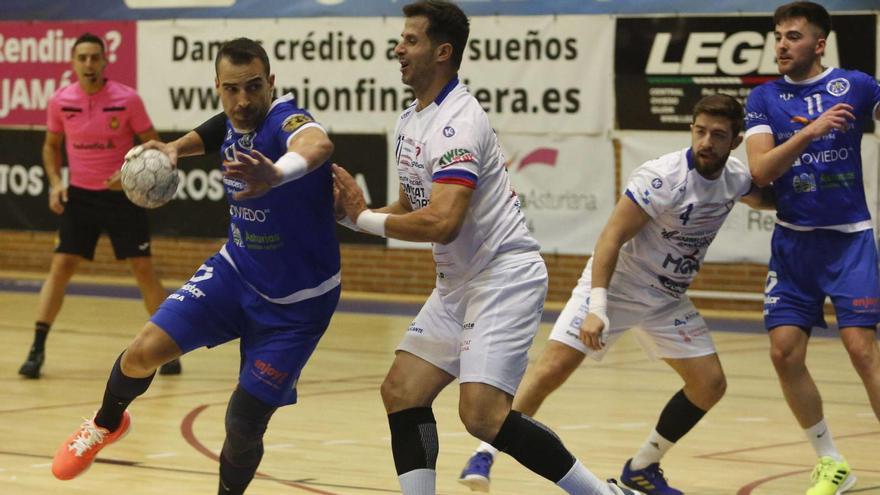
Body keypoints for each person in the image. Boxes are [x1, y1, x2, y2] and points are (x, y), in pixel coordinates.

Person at [333, 2, 641, 494]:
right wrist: (352, 217)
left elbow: (444, 221)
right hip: (458, 283)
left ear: (443, 52)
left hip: (503, 276)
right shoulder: (410, 120)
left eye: (411, 40)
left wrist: (362, 220)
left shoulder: (458, 121)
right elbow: (416, 204)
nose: (399, 48)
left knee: (482, 415)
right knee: (402, 390)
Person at [50, 38, 341, 495]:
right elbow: (217, 129)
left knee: (242, 425)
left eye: (253, 87)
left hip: (296, 307)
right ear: (218, 87)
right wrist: (172, 148)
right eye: (231, 89)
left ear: (272, 83)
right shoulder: (233, 117)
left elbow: (316, 142)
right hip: (235, 272)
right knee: (142, 351)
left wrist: (276, 174)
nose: (243, 101)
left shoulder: (287, 119)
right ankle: (105, 424)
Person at [456, 94, 775, 494]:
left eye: (718, 135)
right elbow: (610, 238)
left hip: (666, 299)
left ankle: (642, 467)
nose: (706, 141)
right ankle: (485, 451)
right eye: (700, 131)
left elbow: (771, 198)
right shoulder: (662, 177)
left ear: (736, 140)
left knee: (710, 383)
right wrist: (598, 307)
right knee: (551, 370)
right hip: (619, 286)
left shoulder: (736, 177)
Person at [744, 2, 880, 494]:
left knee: (862, 350)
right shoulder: (764, 99)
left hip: (849, 241)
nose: (781, 44)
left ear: (819, 44)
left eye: (793, 36)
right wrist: (810, 132)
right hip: (793, 245)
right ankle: (831, 461)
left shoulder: (857, 86)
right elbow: (761, 171)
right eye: (778, 35)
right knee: (784, 353)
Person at [18, 32, 181, 378]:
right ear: (73, 63)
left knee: (143, 270)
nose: (89, 64)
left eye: (95, 57)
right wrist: (56, 183)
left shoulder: (127, 100)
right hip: (80, 196)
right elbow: (50, 146)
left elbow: (154, 144)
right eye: (83, 58)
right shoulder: (61, 101)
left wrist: (128, 174)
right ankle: (36, 349)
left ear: (105, 62)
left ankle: (170, 348)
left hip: (122, 199)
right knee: (60, 266)